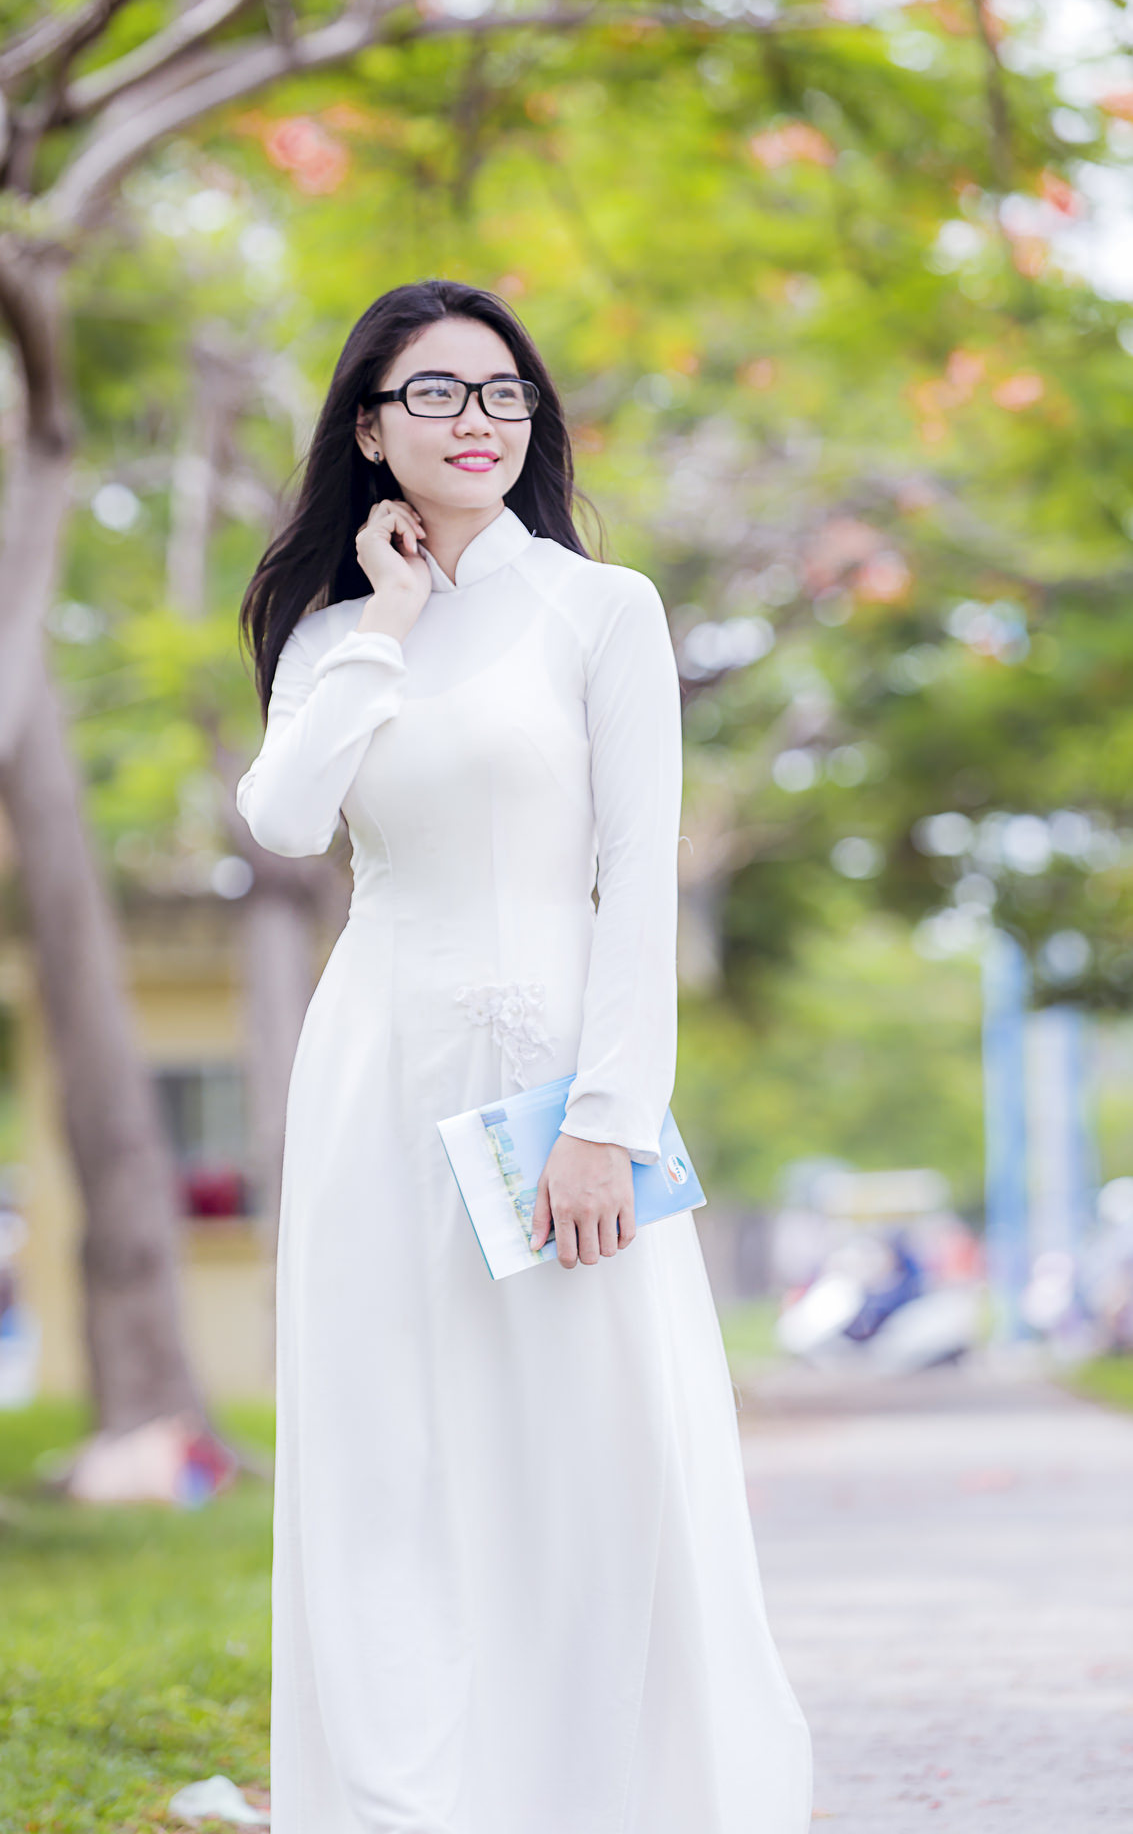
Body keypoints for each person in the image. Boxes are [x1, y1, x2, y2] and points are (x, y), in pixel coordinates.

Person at [236, 280, 812, 1834]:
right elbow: (284, 822)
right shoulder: (334, 633)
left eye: (502, 393)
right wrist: (392, 624)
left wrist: (607, 1123)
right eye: (434, 394)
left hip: (555, 1088)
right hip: (374, 1079)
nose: (477, 420)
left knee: (588, 1454)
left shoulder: (598, 610)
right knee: (388, 1460)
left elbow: (637, 875)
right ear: (369, 429)